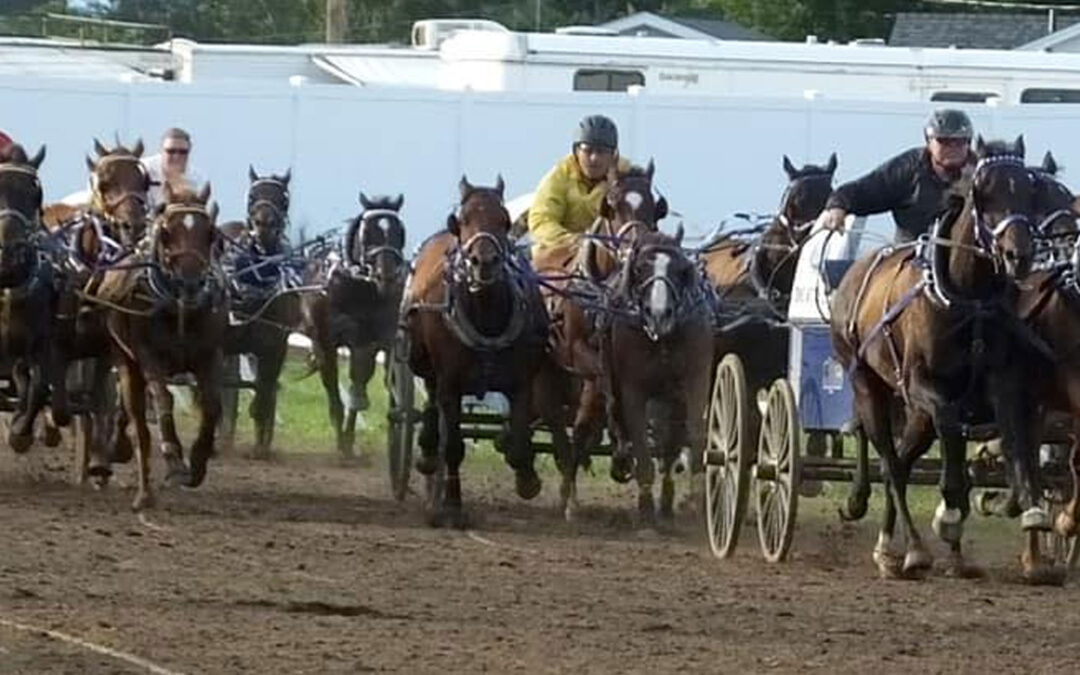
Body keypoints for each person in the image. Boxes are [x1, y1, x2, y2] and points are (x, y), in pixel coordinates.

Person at [820, 109, 976, 243]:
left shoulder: (983, 175)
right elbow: (866, 190)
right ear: (929, 142)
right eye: (944, 141)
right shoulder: (909, 169)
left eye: (961, 141)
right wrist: (838, 206)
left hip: (969, 261)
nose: (953, 147)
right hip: (911, 259)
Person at [527, 114, 632, 256]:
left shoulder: (628, 177)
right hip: (563, 254)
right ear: (576, 151)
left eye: (601, 152)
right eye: (587, 150)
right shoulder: (560, 175)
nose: (594, 158)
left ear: (614, 155)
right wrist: (575, 241)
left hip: (612, 255)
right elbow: (541, 221)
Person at [142, 127, 205, 208]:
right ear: (161, 151)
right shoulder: (143, 169)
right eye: (171, 151)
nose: (177, 157)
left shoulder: (197, 179)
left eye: (183, 152)